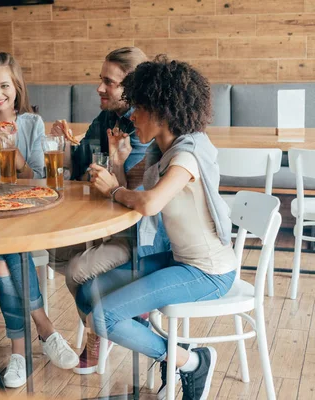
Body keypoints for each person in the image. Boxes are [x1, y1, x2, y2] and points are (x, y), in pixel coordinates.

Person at [78, 56, 237, 399]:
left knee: (104, 318)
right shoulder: (162, 152)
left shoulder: (187, 154)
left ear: (163, 110)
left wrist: (114, 189)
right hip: (179, 261)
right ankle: (173, 352)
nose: (132, 115)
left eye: (138, 107)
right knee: (88, 292)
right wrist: (118, 163)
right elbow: (134, 194)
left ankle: (190, 361)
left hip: (207, 272)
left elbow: (149, 202)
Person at [0, 52, 78, 388]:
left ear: (17, 87)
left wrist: (14, 154)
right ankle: (44, 327)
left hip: (19, 215)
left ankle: (20, 354)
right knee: (9, 256)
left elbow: (39, 180)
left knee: (5, 264)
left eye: (4, 85)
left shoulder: (31, 124)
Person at [48, 47, 168, 375]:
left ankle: (100, 329)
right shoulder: (108, 117)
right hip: (104, 224)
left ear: (131, 87)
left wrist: (112, 165)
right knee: (51, 252)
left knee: (77, 270)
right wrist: (65, 146)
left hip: (138, 236)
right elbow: (83, 162)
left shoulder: (144, 127)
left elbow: (132, 196)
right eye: (101, 80)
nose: (100, 88)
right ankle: (116, 311)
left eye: (109, 82)